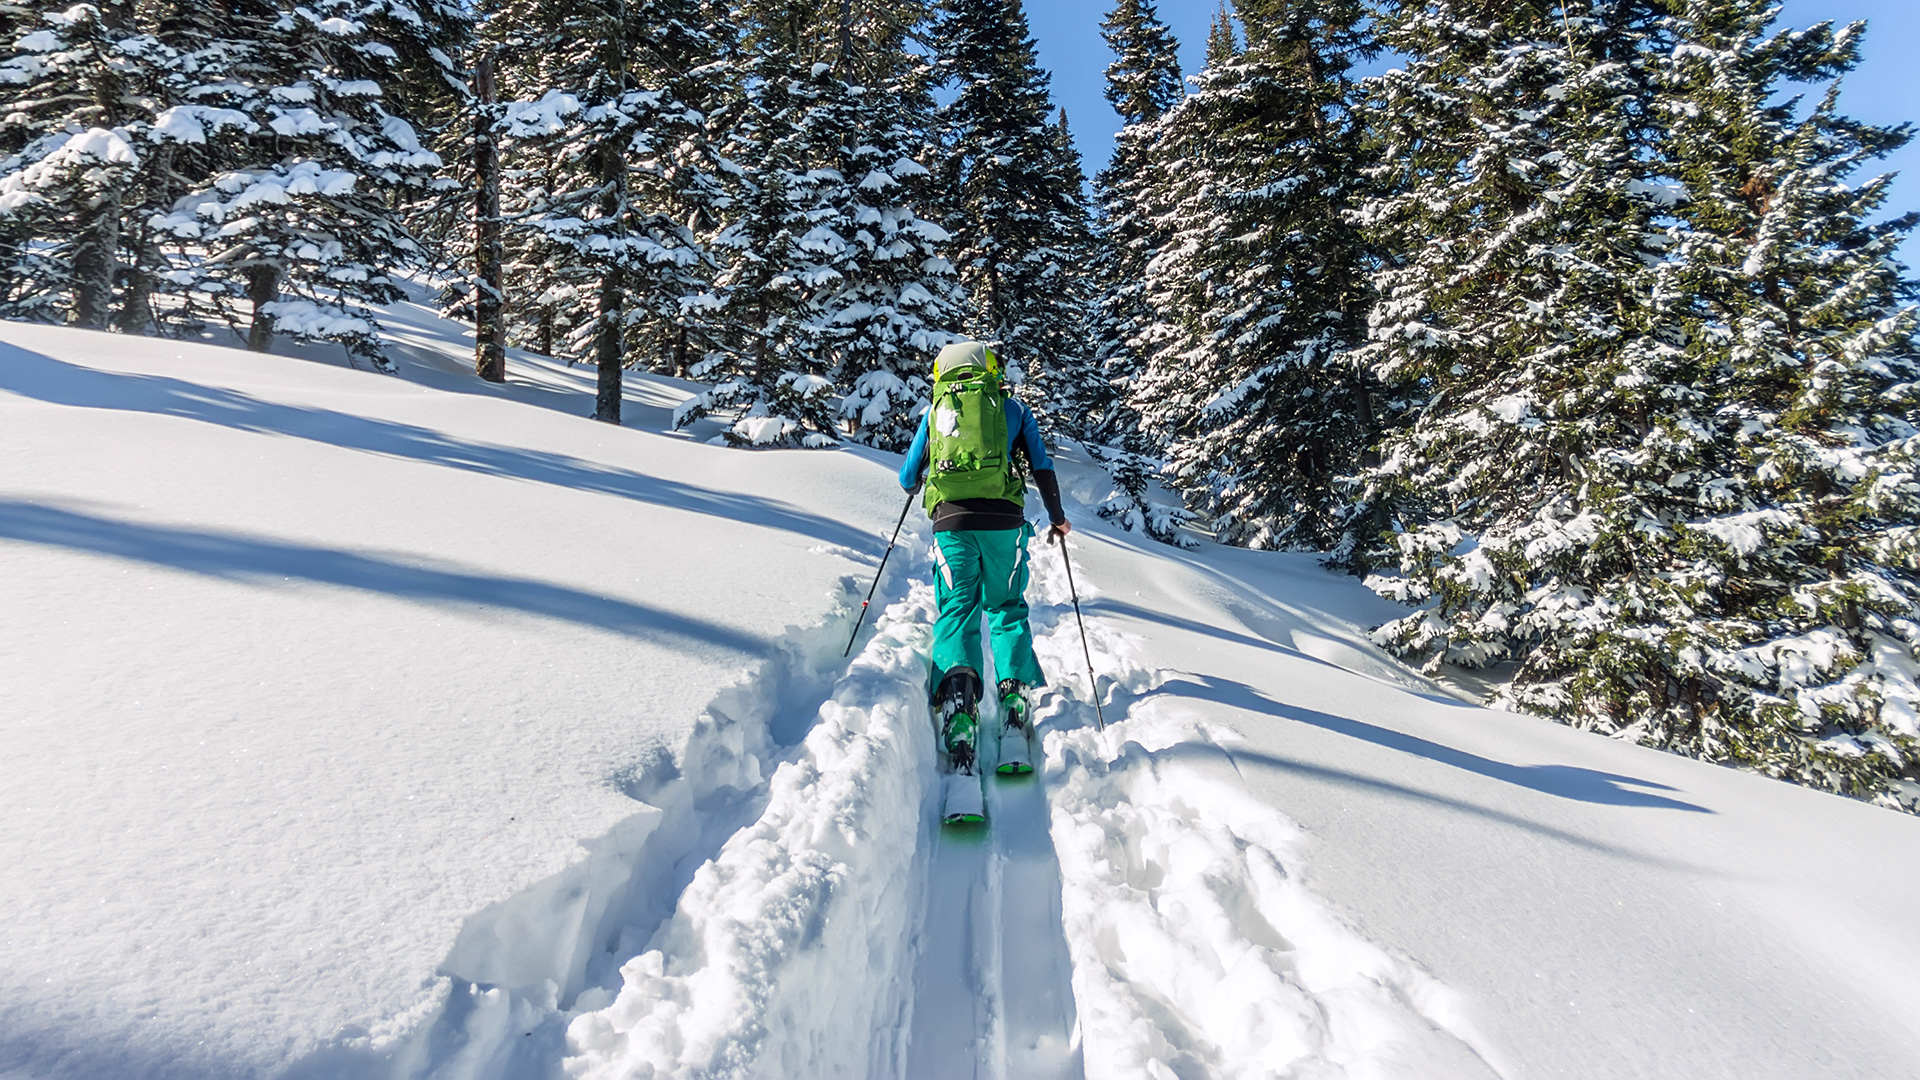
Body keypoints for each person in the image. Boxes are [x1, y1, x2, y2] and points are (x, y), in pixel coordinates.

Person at [899, 340, 1069, 774]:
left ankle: (959, 710)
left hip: (950, 524)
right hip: (1004, 524)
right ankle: (1012, 702)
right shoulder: (1012, 409)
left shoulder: (936, 411)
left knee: (957, 609)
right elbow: (1041, 465)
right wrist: (1057, 518)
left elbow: (906, 477)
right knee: (1006, 607)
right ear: (991, 369)